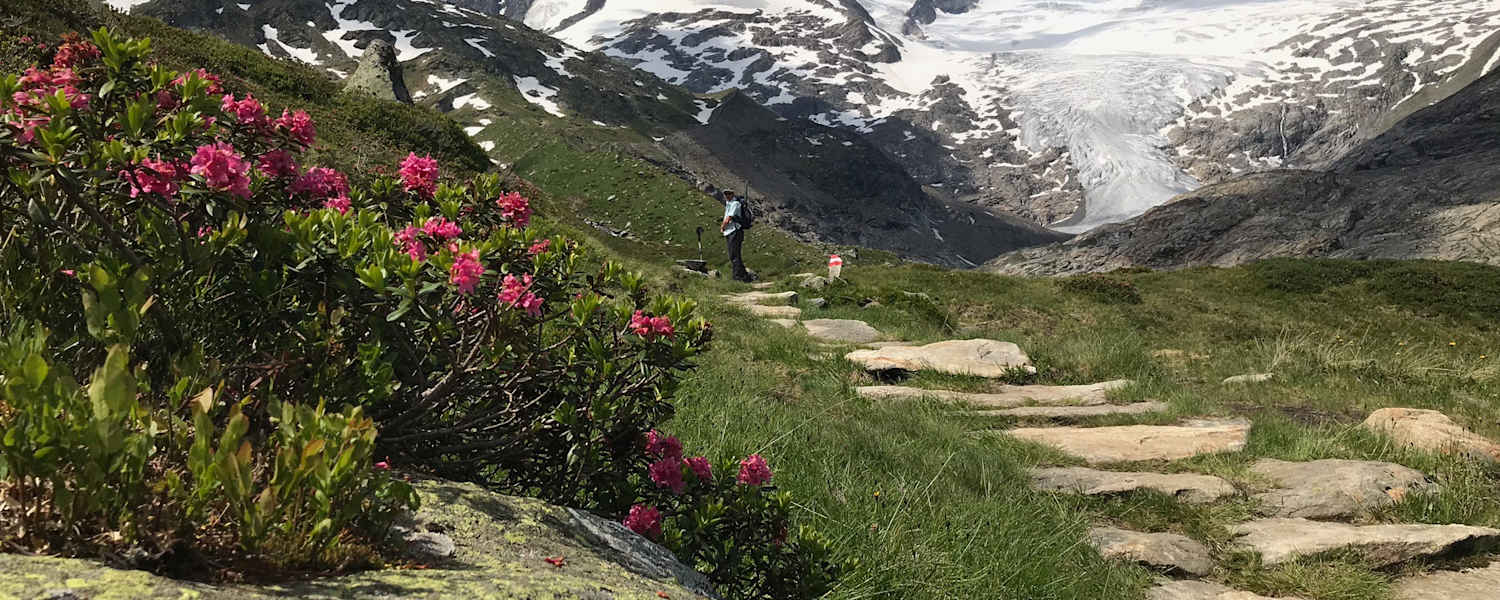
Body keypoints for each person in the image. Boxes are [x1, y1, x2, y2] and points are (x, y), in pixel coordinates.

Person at [718, 189, 753, 282]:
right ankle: (744, 276)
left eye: (729, 194)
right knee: (734, 255)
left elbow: (729, 217)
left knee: (734, 255)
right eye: (725, 194)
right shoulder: (729, 204)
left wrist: (722, 227)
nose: (727, 195)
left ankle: (737, 276)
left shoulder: (735, 204)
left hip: (735, 231)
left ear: (733, 194)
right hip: (730, 231)